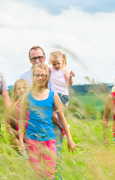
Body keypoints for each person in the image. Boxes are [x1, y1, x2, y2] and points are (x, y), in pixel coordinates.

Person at [18, 63, 76, 179]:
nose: (40, 78)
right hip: (32, 140)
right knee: (36, 175)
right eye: (37, 75)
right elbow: (21, 120)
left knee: (49, 174)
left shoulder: (53, 95)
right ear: (33, 76)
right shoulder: (28, 96)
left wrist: (70, 138)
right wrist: (20, 140)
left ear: (47, 77)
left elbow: (62, 118)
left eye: (43, 75)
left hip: (49, 140)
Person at [49, 50, 75, 178]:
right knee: (52, 114)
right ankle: (64, 127)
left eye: (58, 63)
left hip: (62, 97)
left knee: (52, 113)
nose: (56, 66)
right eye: (53, 64)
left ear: (63, 61)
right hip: (54, 96)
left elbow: (69, 84)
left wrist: (70, 76)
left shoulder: (65, 71)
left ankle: (65, 127)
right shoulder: (50, 69)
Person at [6, 79, 30, 154]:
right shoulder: (14, 106)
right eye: (19, 89)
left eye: (24, 87)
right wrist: (14, 139)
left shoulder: (32, 103)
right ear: (16, 92)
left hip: (33, 141)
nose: (22, 90)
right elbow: (7, 124)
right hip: (20, 142)